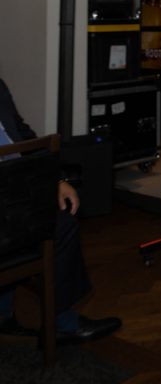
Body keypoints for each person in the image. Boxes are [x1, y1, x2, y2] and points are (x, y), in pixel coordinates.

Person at [0, 78, 122, 343]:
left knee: (60, 223)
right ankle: (63, 322)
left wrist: (56, 179)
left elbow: (23, 134)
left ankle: (54, 321)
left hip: (16, 192)